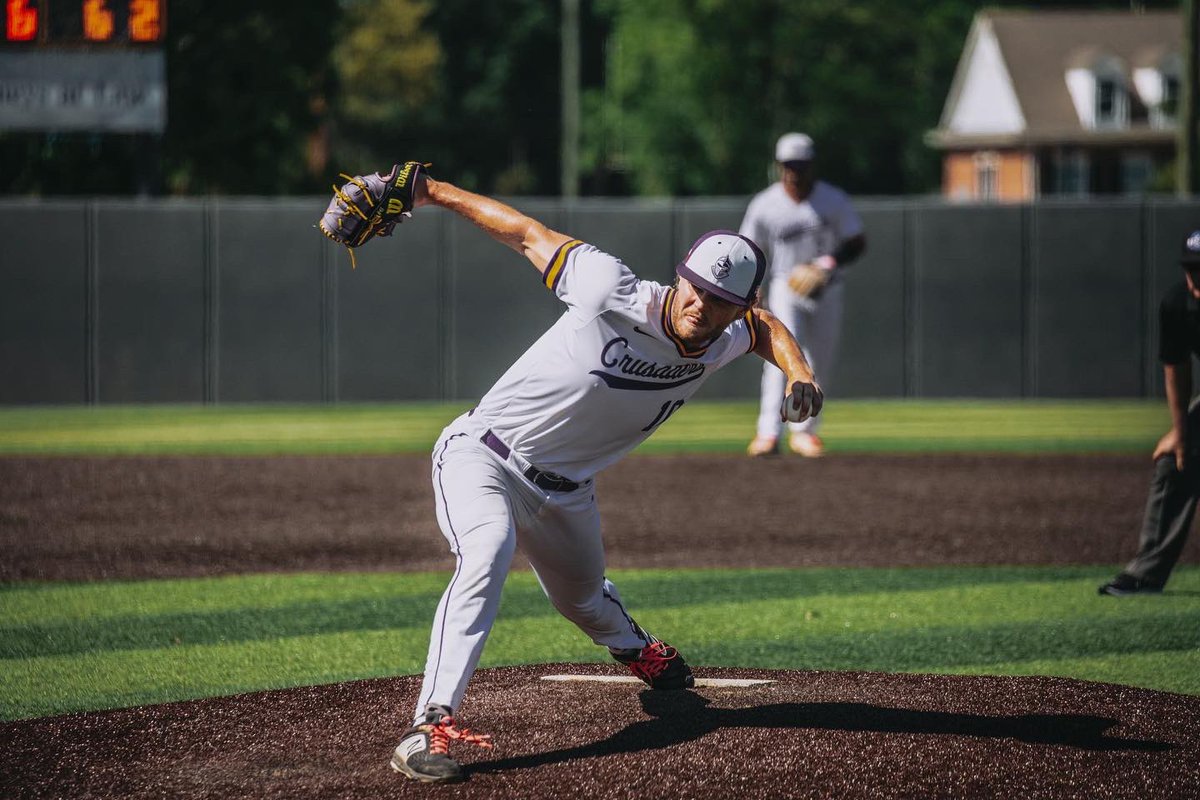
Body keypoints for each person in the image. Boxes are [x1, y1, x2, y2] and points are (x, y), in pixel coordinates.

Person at [381, 169, 823, 783]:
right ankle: (429, 725)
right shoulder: (609, 286)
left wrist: (800, 373)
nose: (700, 305)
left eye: (720, 300)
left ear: (738, 306)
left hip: (567, 492)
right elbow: (525, 234)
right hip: (484, 455)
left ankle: (635, 649)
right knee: (487, 552)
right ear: (680, 277)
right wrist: (431, 192)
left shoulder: (724, 337)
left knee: (585, 601)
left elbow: (766, 328)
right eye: (695, 288)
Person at [740, 132, 866, 458]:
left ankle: (805, 432)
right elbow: (748, 250)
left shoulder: (832, 200)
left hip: (827, 286)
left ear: (812, 165)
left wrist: (826, 263)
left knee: (819, 360)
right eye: (789, 165)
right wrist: (754, 288)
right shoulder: (765, 204)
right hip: (786, 284)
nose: (794, 171)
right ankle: (768, 432)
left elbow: (857, 242)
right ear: (780, 166)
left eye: (800, 165)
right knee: (780, 356)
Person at [1100, 229, 1200, 596]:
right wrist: (1181, 433)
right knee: (1175, 460)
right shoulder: (1178, 304)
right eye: (1192, 268)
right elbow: (1177, 369)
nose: (1196, 277)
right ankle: (1146, 573)